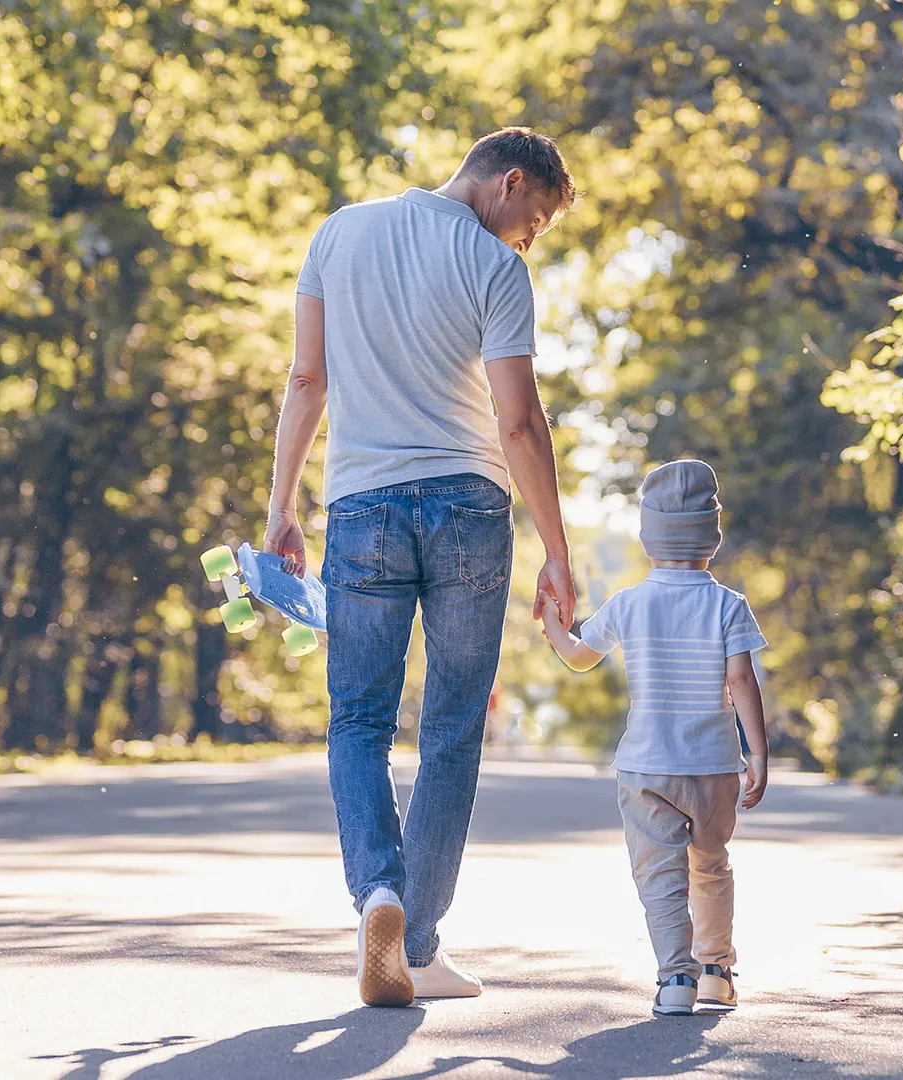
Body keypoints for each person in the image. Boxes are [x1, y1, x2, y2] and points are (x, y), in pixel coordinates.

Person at [262, 128, 578, 1008]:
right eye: (536, 219)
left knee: (357, 720)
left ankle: (382, 897)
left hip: (361, 506)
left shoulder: (340, 231)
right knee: (450, 730)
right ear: (509, 181)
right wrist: (557, 552)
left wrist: (281, 508)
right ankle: (421, 943)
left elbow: (306, 382)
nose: (528, 239)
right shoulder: (493, 268)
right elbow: (518, 424)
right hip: (469, 510)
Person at [537, 458, 770, 1017]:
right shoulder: (727, 605)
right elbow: (741, 679)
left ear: (648, 537)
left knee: (660, 876)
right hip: (714, 767)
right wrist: (757, 753)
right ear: (711, 538)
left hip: (647, 769)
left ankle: (675, 981)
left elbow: (576, 656)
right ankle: (716, 971)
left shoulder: (629, 604)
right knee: (711, 863)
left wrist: (550, 620)